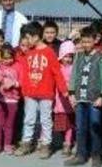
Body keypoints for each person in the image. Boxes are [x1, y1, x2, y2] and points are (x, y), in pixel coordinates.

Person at [14, 23, 68, 159]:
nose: (26, 41)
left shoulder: (49, 52)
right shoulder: (28, 52)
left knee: (46, 120)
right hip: (30, 93)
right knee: (29, 119)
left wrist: (64, 91)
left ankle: (46, 144)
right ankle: (26, 142)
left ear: (36, 37)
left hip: (45, 93)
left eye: (27, 38)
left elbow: (57, 73)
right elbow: (22, 69)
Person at [66, 28, 102, 167]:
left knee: (94, 127)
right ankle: (80, 154)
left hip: (94, 98)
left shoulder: (101, 57)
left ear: (94, 41)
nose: (86, 44)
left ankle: (96, 156)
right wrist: (72, 92)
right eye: (83, 41)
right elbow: (73, 75)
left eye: (88, 41)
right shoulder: (78, 56)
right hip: (80, 98)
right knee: (80, 128)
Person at [0, 44, 21, 155]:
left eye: (9, 58)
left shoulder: (18, 66)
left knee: (9, 123)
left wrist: (14, 83)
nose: (7, 61)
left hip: (13, 99)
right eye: (4, 58)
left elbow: (22, 81)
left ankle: (7, 144)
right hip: (0, 98)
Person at [53, 41, 76, 157]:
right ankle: (62, 141)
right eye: (65, 56)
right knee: (61, 123)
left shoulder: (74, 68)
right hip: (59, 102)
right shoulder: (57, 68)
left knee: (70, 124)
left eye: (70, 56)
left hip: (70, 101)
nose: (68, 59)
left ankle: (68, 143)